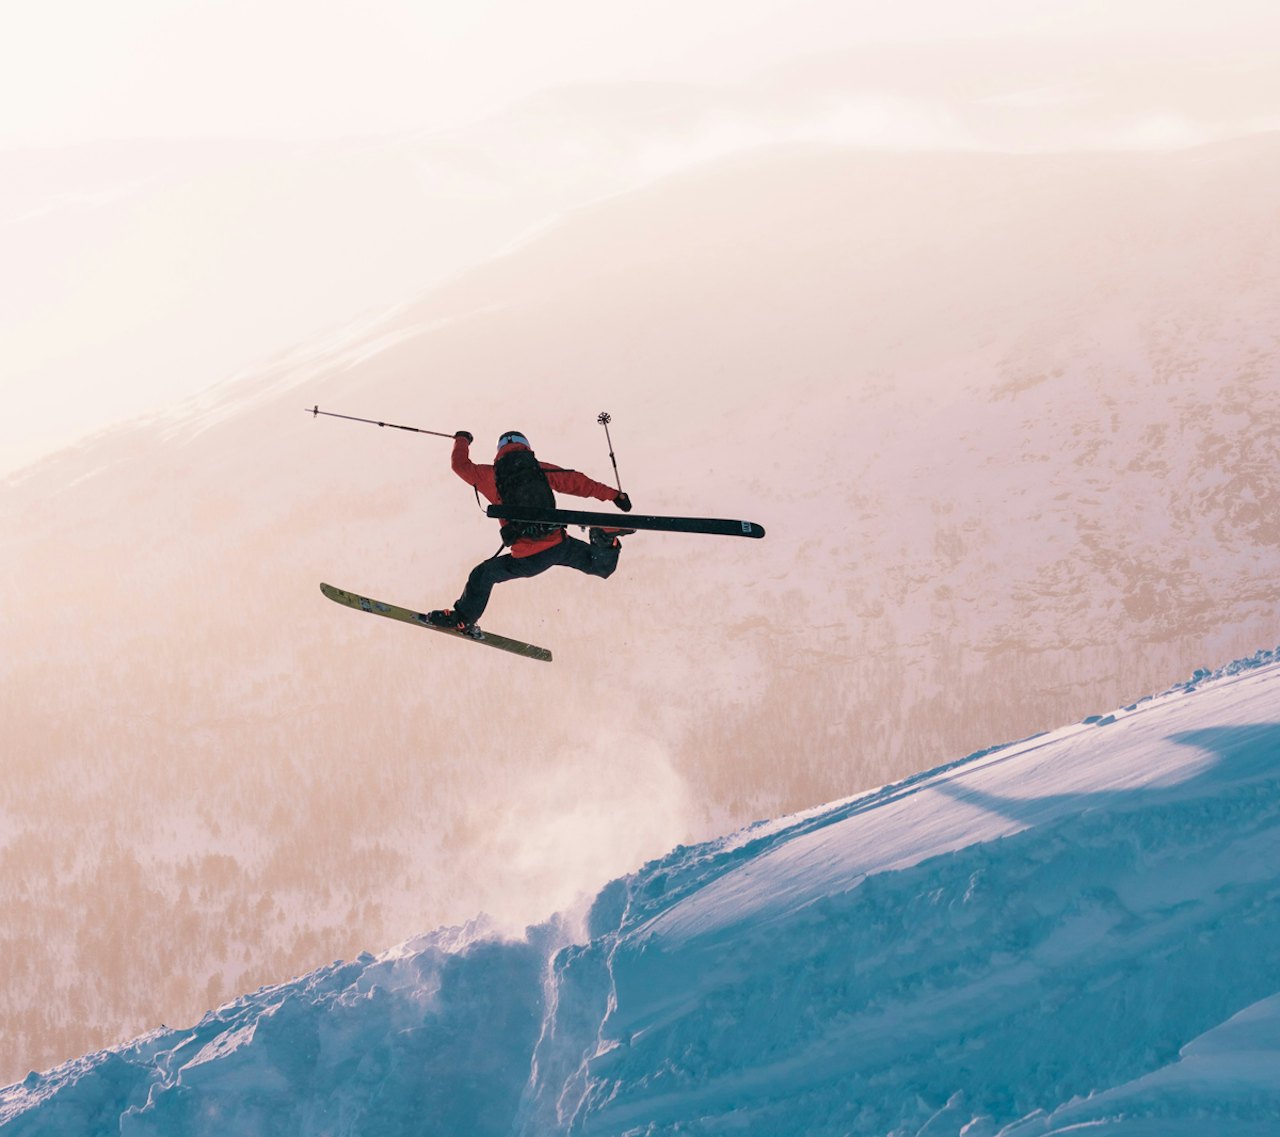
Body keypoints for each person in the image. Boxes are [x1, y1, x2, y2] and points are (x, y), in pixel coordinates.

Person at [426, 429, 634, 634]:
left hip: (527, 558)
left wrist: (462, 439)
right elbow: (578, 482)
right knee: (600, 566)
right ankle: (604, 539)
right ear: (526, 447)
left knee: (483, 575)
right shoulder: (540, 470)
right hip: (560, 546)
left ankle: (462, 618)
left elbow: (460, 465)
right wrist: (615, 496)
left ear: (499, 451)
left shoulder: (489, 475)